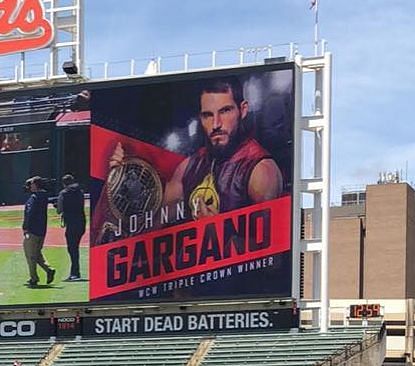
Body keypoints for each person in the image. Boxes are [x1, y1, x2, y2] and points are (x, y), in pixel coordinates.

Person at [109, 77, 283, 220]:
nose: (216, 124)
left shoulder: (260, 170)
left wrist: (218, 235)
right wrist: (124, 177)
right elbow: (152, 221)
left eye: (225, 111)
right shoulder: (190, 166)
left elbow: (271, 252)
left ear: (242, 110)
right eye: (207, 115)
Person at [22, 176, 55, 288]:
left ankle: (34, 278)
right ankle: (48, 269)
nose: (30, 186)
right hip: (42, 230)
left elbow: (29, 213)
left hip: (32, 230)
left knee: (30, 255)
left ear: (35, 185)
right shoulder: (44, 196)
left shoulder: (34, 197)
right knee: (37, 253)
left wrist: (25, 227)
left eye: (31, 184)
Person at [56, 174, 86, 281]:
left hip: (71, 223)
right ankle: (75, 272)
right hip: (81, 222)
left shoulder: (64, 193)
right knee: (75, 248)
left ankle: (75, 272)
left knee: (72, 249)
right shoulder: (80, 192)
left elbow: (59, 210)